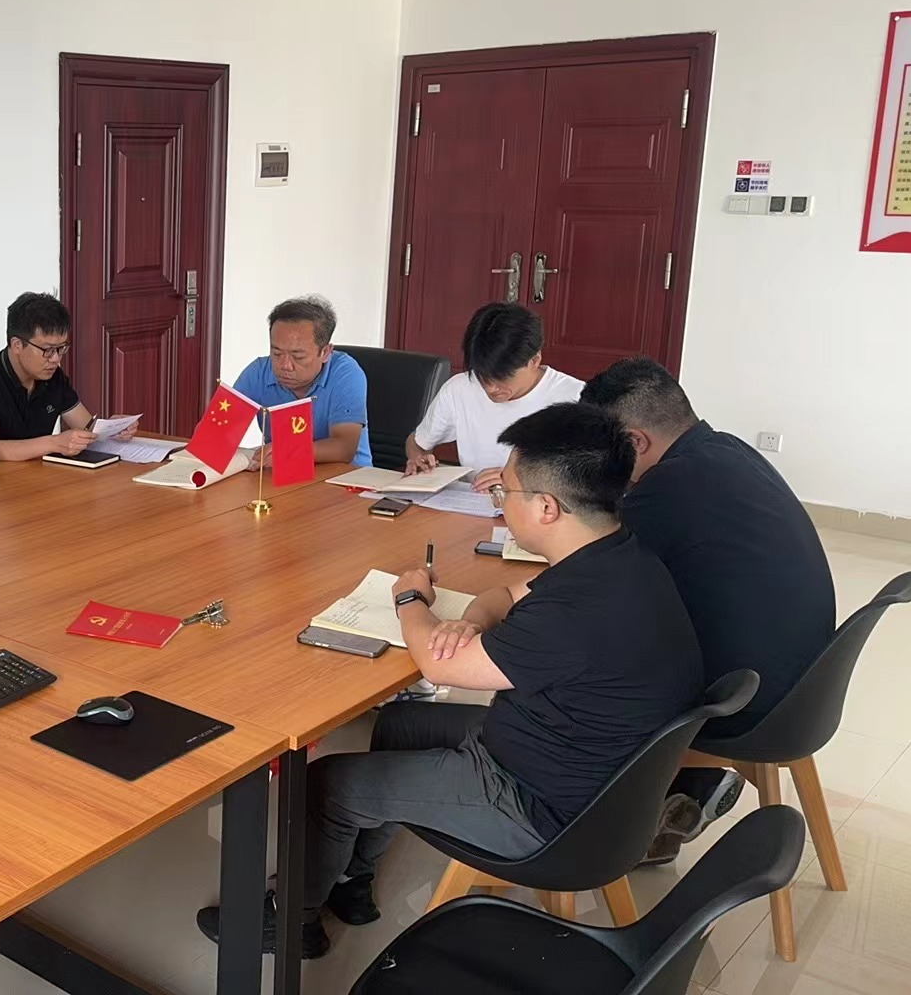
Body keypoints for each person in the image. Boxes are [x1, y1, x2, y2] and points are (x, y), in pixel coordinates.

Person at [197, 403, 701, 958]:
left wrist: (410, 599)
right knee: (402, 723)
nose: (500, 501)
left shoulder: (577, 611)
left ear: (547, 508)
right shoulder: (615, 556)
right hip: (571, 762)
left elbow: (440, 667)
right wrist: (470, 622)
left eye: (505, 491)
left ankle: (291, 920)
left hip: (539, 807)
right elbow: (505, 596)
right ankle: (349, 878)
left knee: (325, 784)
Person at [581, 357, 836, 863]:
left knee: (579, 667)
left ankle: (594, 834)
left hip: (748, 705)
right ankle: (687, 792)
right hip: (803, 688)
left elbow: (586, 574)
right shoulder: (726, 450)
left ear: (634, 442)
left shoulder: (670, 486)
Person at [405, 302, 583, 494]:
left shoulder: (576, 398)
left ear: (534, 360)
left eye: (502, 377)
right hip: (473, 505)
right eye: (482, 375)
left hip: (541, 510)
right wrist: (418, 459)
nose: (490, 388)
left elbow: (590, 483)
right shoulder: (459, 389)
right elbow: (417, 442)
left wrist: (516, 482)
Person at [0, 292, 138, 461]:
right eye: (48, 350)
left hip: (38, 474)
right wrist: (54, 443)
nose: (56, 359)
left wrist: (112, 429)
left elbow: (86, 426)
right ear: (17, 345)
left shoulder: (53, 376)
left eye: (61, 348)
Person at [231, 295, 371, 469]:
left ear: (325, 352)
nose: (285, 365)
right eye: (277, 353)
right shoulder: (259, 371)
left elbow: (344, 448)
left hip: (344, 478)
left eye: (298, 357)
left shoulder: (346, 373)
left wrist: (289, 451)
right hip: (282, 474)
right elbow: (219, 431)